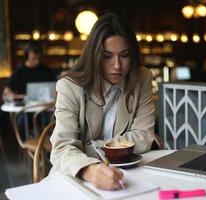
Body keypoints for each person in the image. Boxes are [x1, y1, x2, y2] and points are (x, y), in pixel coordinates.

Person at [49, 13, 158, 190]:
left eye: (124, 55)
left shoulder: (142, 78)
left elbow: (144, 136)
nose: (117, 65)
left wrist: (90, 148)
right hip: (77, 175)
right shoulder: (69, 87)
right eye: (107, 56)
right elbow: (62, 148)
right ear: (95, 55)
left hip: (130, 172)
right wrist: (90, 170)